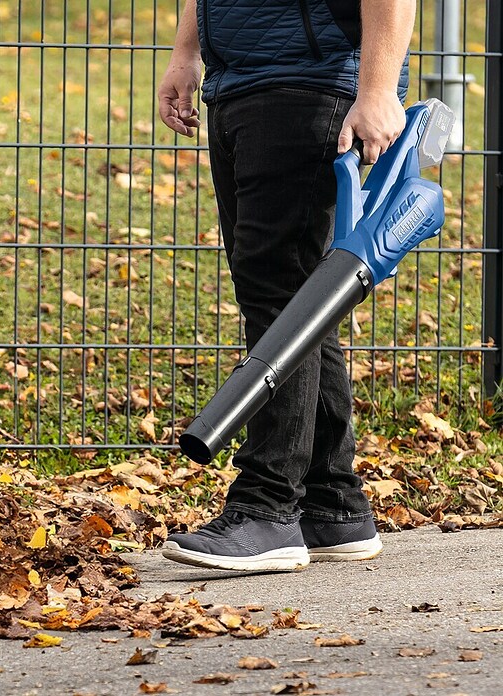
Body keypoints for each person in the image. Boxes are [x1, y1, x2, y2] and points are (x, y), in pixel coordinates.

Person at [157, 0, 416, 572]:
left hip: (308, 87)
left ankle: (268, 508)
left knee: (282, 303)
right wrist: (185, 53)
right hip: (241, 87)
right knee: (298, 299)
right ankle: (332, 504)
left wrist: (376, 90)